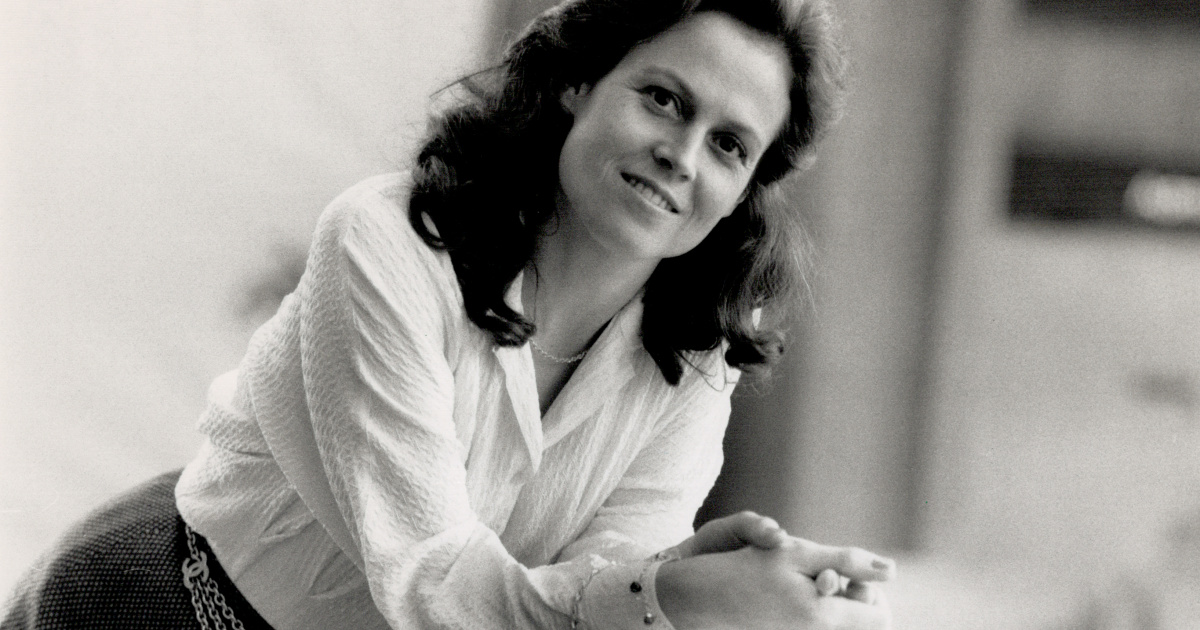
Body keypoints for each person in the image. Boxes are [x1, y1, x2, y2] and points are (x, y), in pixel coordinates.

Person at [2, 1, 897, 629]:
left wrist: (708, 588)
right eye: (664, 98)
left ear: (744, 190)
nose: (682, 154)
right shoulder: (386, 243)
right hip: (165, 608)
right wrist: (669, 599)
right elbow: (431, 581)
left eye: (730, 145)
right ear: (581, 82)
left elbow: (596, 593)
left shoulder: (696, 360)